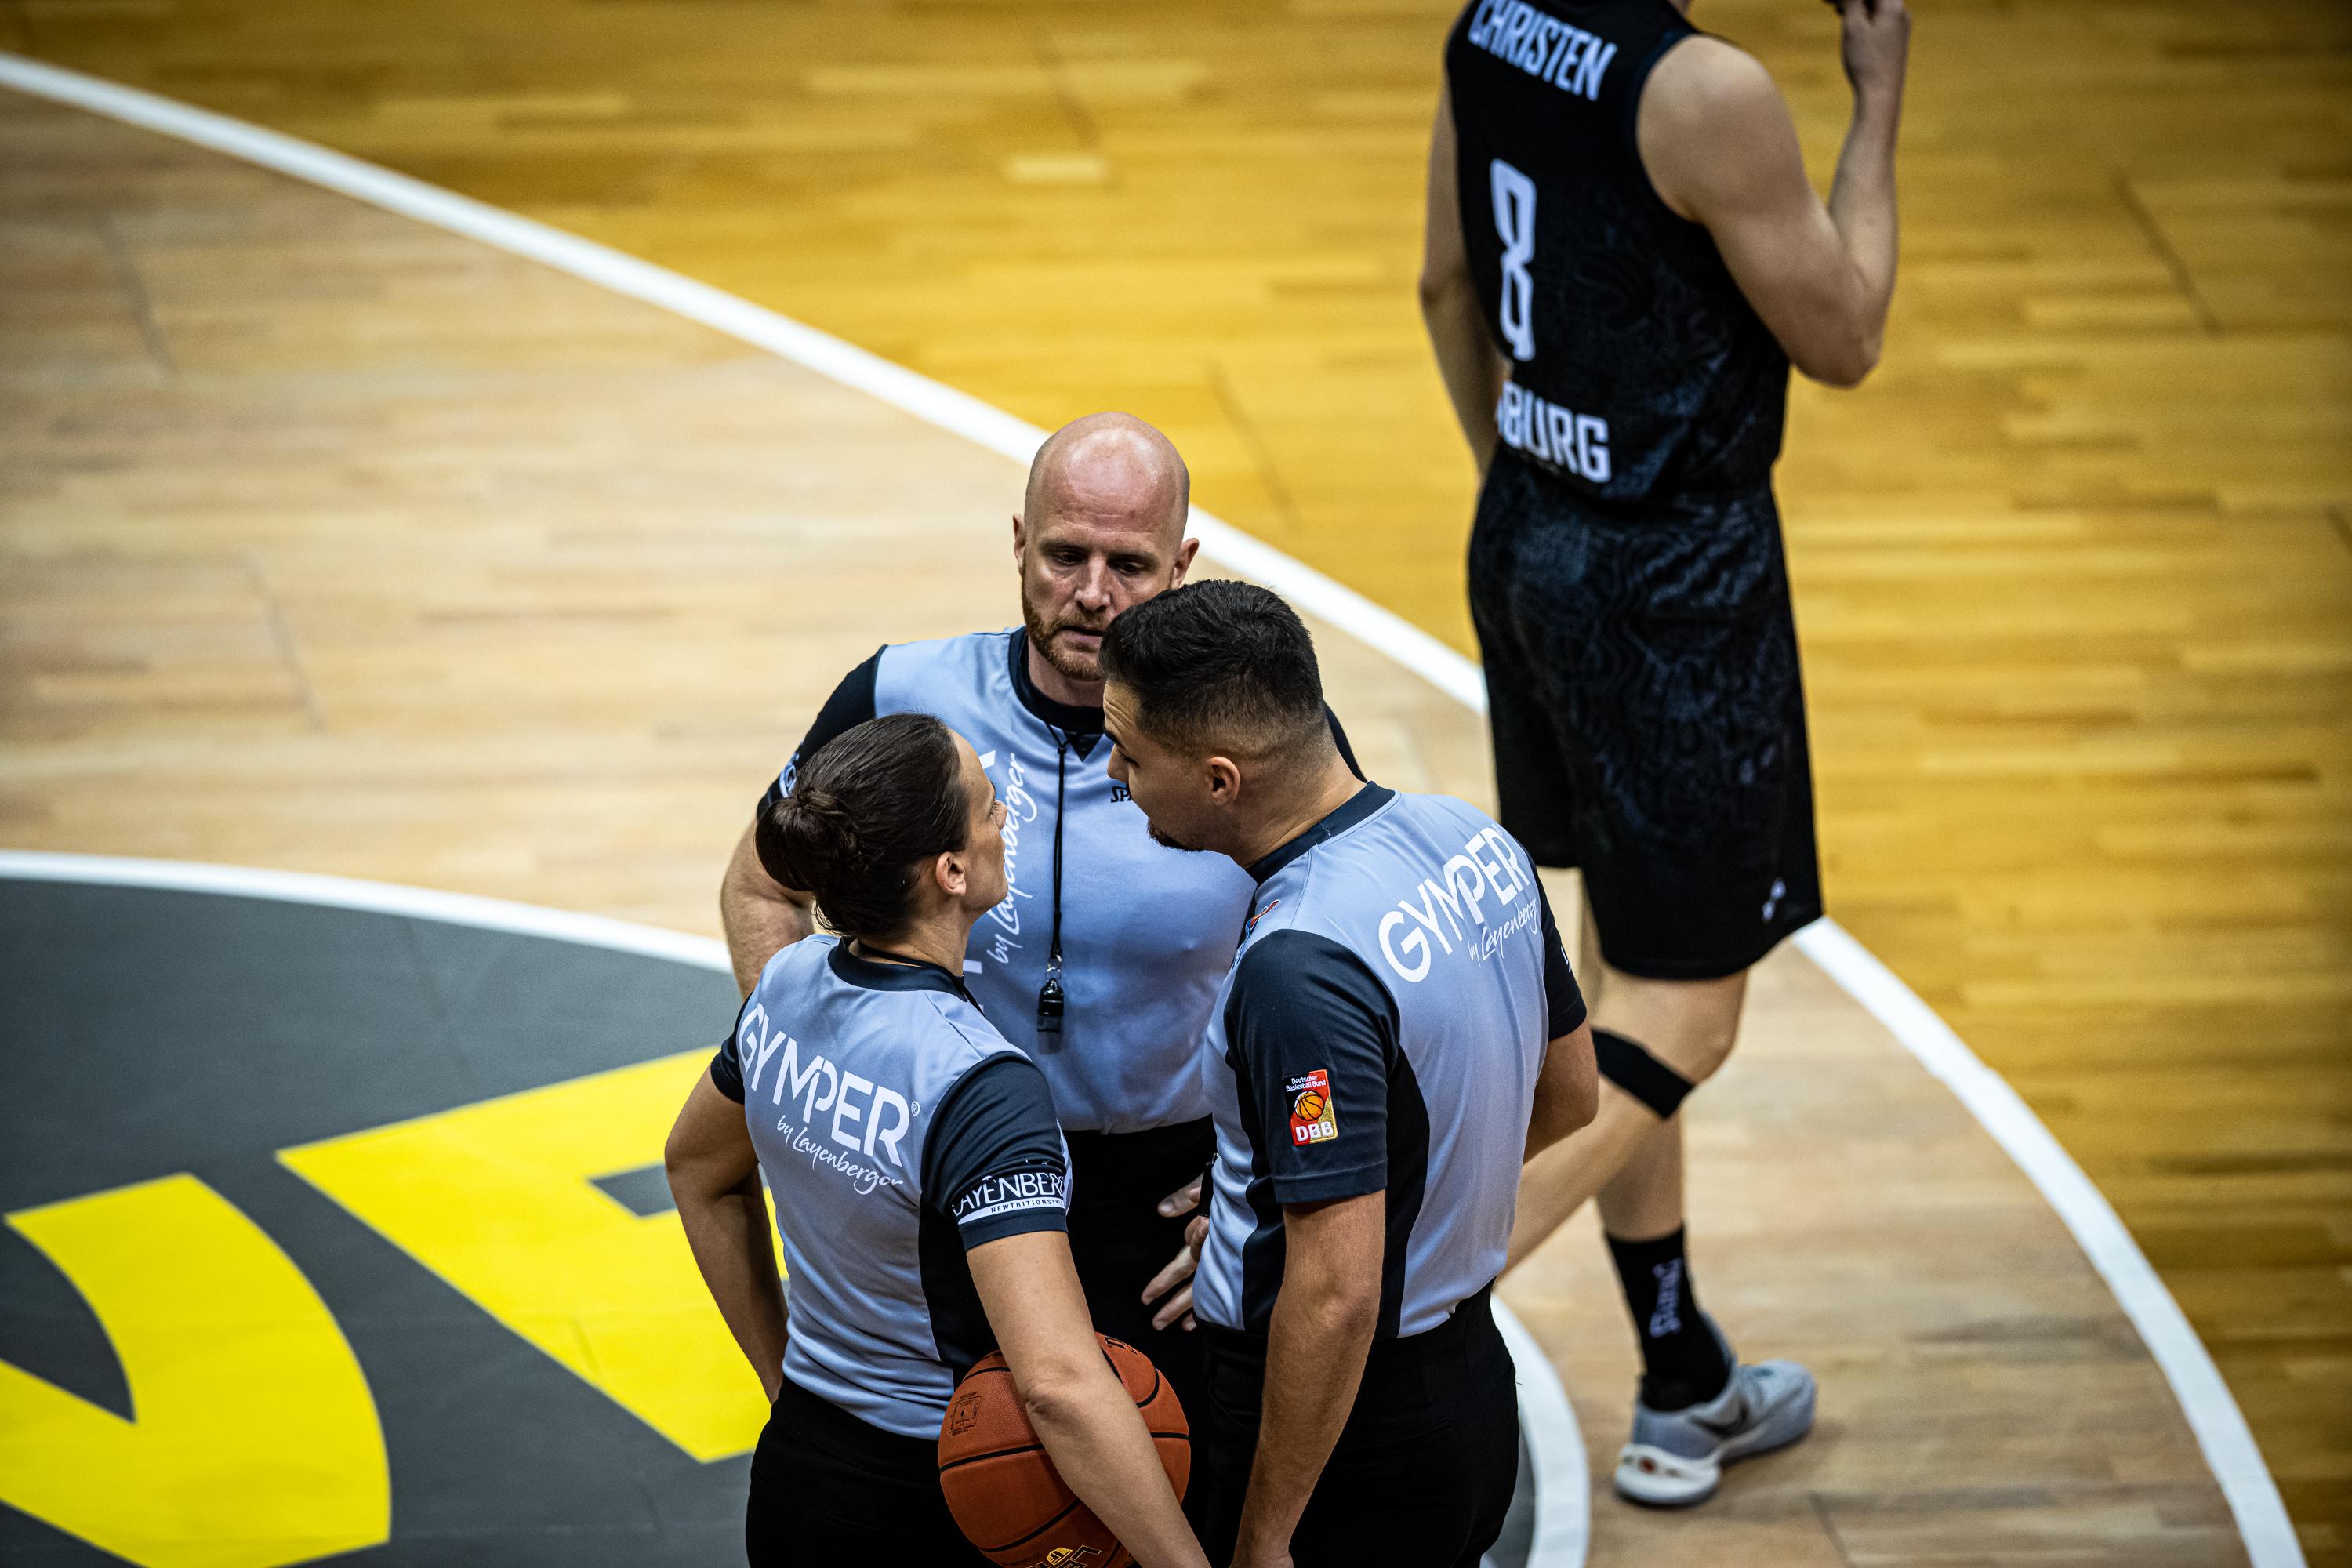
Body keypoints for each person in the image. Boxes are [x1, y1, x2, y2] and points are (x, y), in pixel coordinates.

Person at [1417, 0, 1910, 1507]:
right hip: (1678, 591)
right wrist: (1877, 103)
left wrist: (1532, 511)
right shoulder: (1712, 90)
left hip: (1528, 540)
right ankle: (1401, 1304)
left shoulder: (1492, 21)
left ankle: (1680, 1377)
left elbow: (1445, 287)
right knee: (1685, 1022)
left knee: (1617, 972)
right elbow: (1847, 335)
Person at [718, 412, 1358, 1422]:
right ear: (1019, 539)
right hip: (956, 1175)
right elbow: (761, 887)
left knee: (1167, 1493)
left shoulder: (1259, 731)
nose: (1093, 593)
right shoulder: (900, 693)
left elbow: (1346, 980)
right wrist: (803, 1051)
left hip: (1172, 1202)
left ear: (1183, 562)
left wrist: (1261, 1189)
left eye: (1130, 564)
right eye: (1065, 554)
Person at [1098, 580, 1599, 1568]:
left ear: (1220, 779)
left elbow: (1336, 1295)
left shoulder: (1299, 964)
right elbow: (1570, 1093)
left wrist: (1269, 1533)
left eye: (1132, 752)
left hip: (1347, 1439)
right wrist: (1308, 1194)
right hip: (1470, 1389)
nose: (1116, 773)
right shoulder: (1474, 839)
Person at [666, 711, 1209, 1567]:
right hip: (949, 1496)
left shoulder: (788, 981)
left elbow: (694, 1168)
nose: (1006, 824)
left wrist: (787, 1385)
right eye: (992, 807)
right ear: (951, 869)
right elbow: (1058, 1382)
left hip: (803, 1472)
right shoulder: (979, 1084)